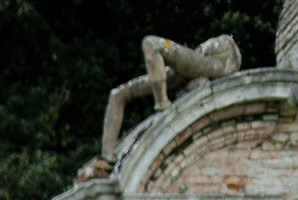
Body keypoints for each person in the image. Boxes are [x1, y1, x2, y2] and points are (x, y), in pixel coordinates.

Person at [79, 34, 242, 179]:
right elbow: (117, 96)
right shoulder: (174, 74)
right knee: (117, 93)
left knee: (150, 43)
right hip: (212, 59)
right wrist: (108, 157)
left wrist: (163, 104)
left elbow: (152, 44)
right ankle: (107, 155)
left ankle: (162, 103)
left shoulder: (198, 65)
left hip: (222, 57)